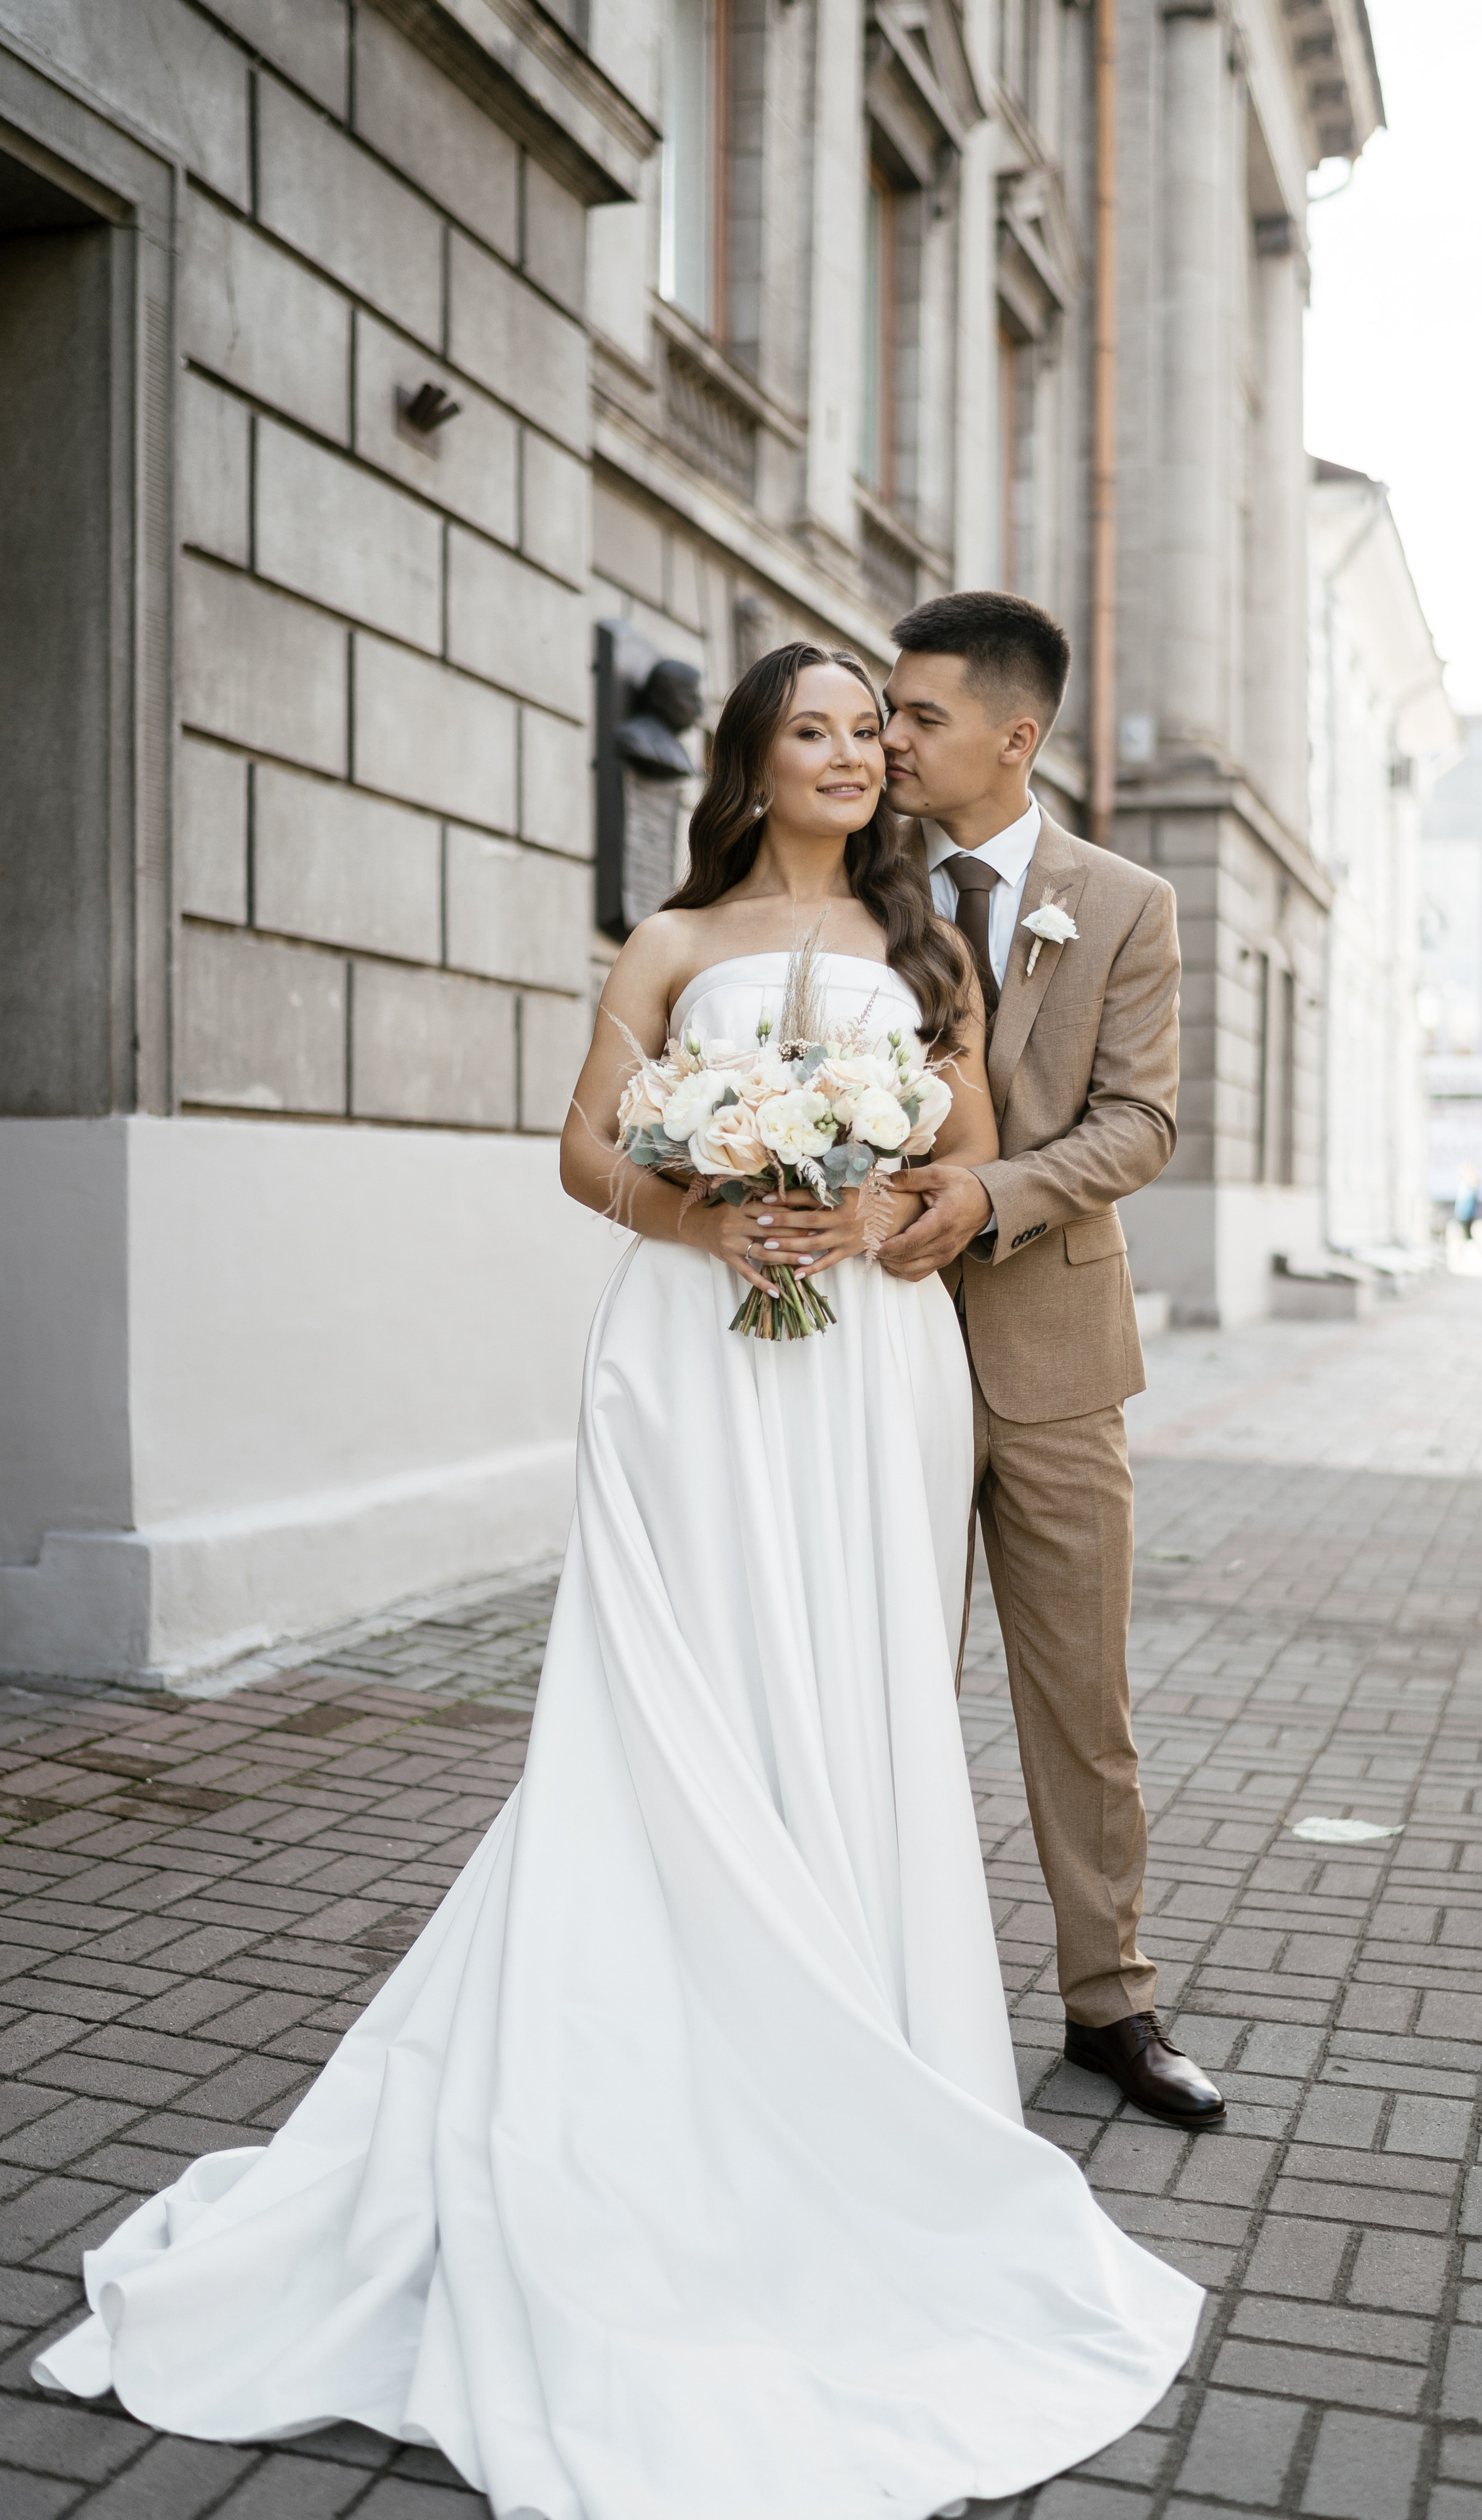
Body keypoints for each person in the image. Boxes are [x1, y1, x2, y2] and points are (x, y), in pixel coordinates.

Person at [35, 643, 1200, 2520]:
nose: (849, 755)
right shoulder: (667, 942)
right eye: (811, 732)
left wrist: (873, 1211)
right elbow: (587, 1149)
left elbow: (971, 1153)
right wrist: (720, 1207)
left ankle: (856, 2043)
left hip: (867, 1373)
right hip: (689, 1359)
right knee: (679, 1690)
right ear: (749, 763)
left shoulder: (936, 957)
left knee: (849, 1695)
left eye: (866, 733)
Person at [877, 591, 1225, 2128]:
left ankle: (1112, 2006)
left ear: (1013, 739)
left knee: (1081, 1699)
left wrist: (989, 1196)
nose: (885, 740)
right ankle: (876, 1985)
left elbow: (1140, 1121)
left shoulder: (1126, 901)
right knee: (877, 1681)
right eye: (881, 712)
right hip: (871, 1353)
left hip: (1055, 1355)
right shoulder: (848, 884)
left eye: (917, 717)